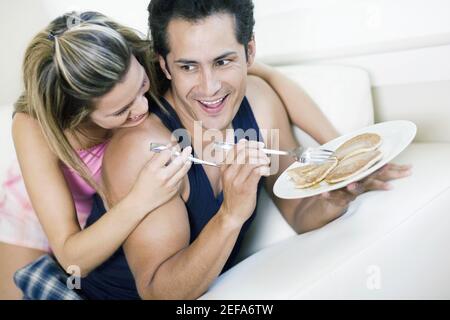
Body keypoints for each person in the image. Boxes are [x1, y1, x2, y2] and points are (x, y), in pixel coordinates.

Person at [78, 0, 411, 300]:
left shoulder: (261, 102)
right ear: (164, 67)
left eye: (223, 61)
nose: (209, 88)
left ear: (249, 53)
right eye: (188, 67)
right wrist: (230, 216)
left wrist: (335, 199)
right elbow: (157, 293)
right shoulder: (142, 147)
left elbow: (297, 212)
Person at [0, 11, 194, 299]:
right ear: (75, 114)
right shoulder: (32, 125)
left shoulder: (138, 58)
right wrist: (141, 199)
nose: (141, 108)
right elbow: (73, 260)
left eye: (142, 86)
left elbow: (220, 66)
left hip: (93, 211)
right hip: (29, 212)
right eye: (120, 111)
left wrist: (272, 78)